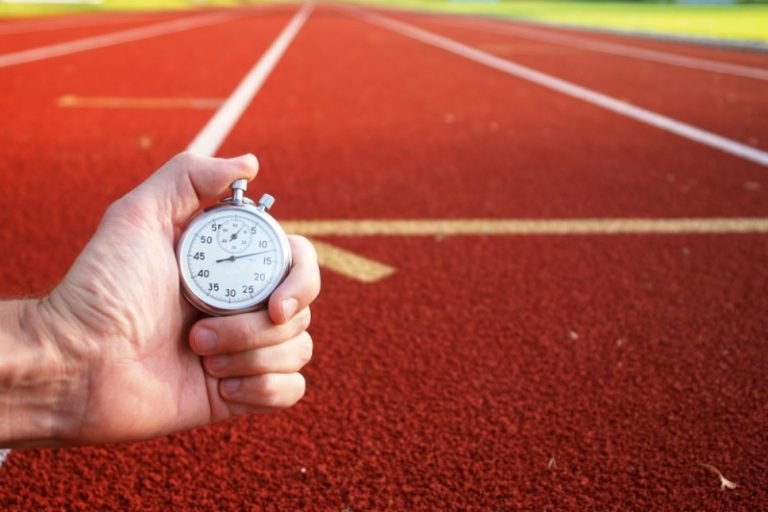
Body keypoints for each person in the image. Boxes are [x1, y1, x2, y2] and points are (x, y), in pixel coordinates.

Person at [0, 152, 320, 448]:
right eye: (221, 250)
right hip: (149, 347)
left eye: (244, 254)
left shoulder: (259, 245)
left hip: (153, 363)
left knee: (278, 315)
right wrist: (66, 345)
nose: (232, 257)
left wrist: (63, 355)